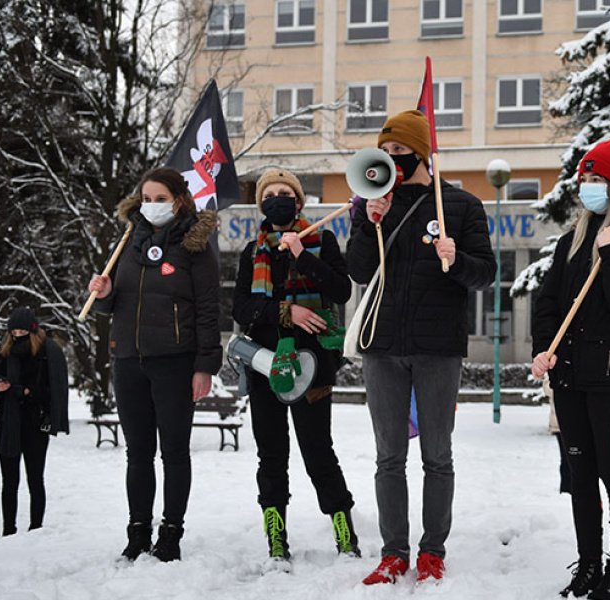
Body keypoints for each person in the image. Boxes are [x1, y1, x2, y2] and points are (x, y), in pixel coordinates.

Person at [347, 110, 497, 584]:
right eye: (384, 151)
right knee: (388, 456)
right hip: (383, 346)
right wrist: (370, 224)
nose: (390, 159)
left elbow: (485, 273)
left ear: (421, 152)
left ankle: (432, 550)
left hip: (438, 347)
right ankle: (394, 552)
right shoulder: (372, 201)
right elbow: (358, 270)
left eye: (399, 151)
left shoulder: (462, 205)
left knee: (437, 455)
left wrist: (456, 260)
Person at [531, 139, 610, 600]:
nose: (587, 187)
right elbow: (548, 303)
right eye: (584, 179)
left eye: (597, 180)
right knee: (579, 473)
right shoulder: (570, 241)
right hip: (567, 376)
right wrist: (542, 349)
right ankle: (588, 564)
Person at [88, 167, 221, 562]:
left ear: (178, 201)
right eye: (146, 199)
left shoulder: (195, 247)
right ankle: (138, 531)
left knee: (174, 453)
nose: (152, 206)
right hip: (129, 359)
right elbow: (115, 304)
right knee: (138, 453)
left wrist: (205, 366)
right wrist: (106, 294)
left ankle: (172, 532)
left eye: (160, 199)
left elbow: (209, 311)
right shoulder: (128, 242)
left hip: (175, 364)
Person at [233, 169, 359, 563]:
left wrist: (303, 256)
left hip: (314, 364)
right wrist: (289, 312)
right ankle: (275, 535)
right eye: (269, 194)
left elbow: (341, 290)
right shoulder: (252, 253)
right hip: (265, 366)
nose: (277, 198)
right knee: (271, 454)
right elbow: (241, 308)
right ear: (262, 205)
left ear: (299, 201)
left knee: (318, 451)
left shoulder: (321, 240)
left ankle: (344, 531)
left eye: (285, 192)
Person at [0, 307, 69, 536]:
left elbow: (51, 392)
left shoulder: (44, 355)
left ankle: (36, 529)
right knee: (9, 481)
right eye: (13, 331)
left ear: (32, 331)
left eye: (22, 330)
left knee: (35, 478)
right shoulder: (2, 356)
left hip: (34, 423)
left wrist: (23, 392)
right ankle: (8, 529)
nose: (17, 335)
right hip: (7, 423)